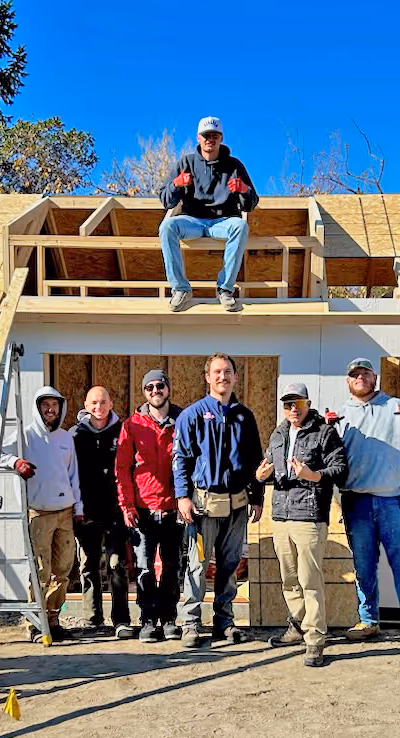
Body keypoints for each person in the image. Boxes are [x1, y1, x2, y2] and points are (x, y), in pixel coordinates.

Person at [336, 357, 400, 656]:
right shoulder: (341, 415)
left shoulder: (397, 408)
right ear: (348, 380)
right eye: (354, 374)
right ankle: (369, 621)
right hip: (356, 502)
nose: (360, 378)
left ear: (375, 376)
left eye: (365, 373)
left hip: (395, 502)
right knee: (364, 568)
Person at [173, 353, 264, 647]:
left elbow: (254, 461)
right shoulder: (192, 415)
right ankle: (190, 624)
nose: (222, 377)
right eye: (217, 372)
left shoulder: (244, 417)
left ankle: (224, 622)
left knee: (230, 567)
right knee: (197, 566)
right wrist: (182, 497)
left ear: (235, 377)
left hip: (237, 506)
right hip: (202, 507)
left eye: (227, 372)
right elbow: (181, 459)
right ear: (207, 377)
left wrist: (258, 496)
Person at [256, 383, 348, 667]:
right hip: (281, 516)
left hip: (309, 516)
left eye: (297, 403)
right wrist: (261, 475)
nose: (292, 409)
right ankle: (298, 626)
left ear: (308, 403)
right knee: (290, 580)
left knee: (310, 581)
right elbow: (270, 467)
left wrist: (312, 475)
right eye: (287, 404)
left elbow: (340, 468)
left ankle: (316, 639)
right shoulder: (279, 433)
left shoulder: (324, 432)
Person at [1, 386, 82, 642]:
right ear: (38, 408)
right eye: (45, 405)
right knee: (40, 571)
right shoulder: (25, 435)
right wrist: (16, 463)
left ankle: (53, 621)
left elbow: (73, 476)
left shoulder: (65, 438)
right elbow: (1, 453)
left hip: (65, 512)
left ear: (61, 408)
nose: (50, 409)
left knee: (62, 571)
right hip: (39, 513)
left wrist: (77, 508)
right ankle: (35, 624)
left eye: (54, 405)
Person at [158, 116, 259, 314]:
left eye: (214, 135)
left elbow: (251, 204)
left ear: (221, 138)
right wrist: (176, 184)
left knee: (240, 226)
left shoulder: (234, 166)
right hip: (192, 221)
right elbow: (165, 199)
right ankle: (180, 289)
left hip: (222, 221)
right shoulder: (186, 163)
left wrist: (243, 189)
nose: (209, 140)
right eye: (206, 136)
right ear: (198, 138)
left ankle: (225, 289)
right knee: (167, 227)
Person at [116, 369, 186, 642]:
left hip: (173, 508)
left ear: (167, 389)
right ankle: (147, 620)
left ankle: (169, 618)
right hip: (143, 509)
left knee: (171, 566)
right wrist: (127, 506)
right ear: (144, 393)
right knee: (144, 568)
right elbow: (122, 469)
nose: (155, 391)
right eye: (149, 388)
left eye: (160, 386)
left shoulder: (182, 421)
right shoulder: (132, 425)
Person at [72, 386, 132, 639]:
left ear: (111, 403)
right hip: (86, 512)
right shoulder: (74, 435)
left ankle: (121, 619)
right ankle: (92, 619)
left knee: (117, 566)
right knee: (88, 565)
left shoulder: (123, 431)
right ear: (86, 404)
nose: (99, 407)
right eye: (94, 402)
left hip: (116, 511)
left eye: (103, 402)